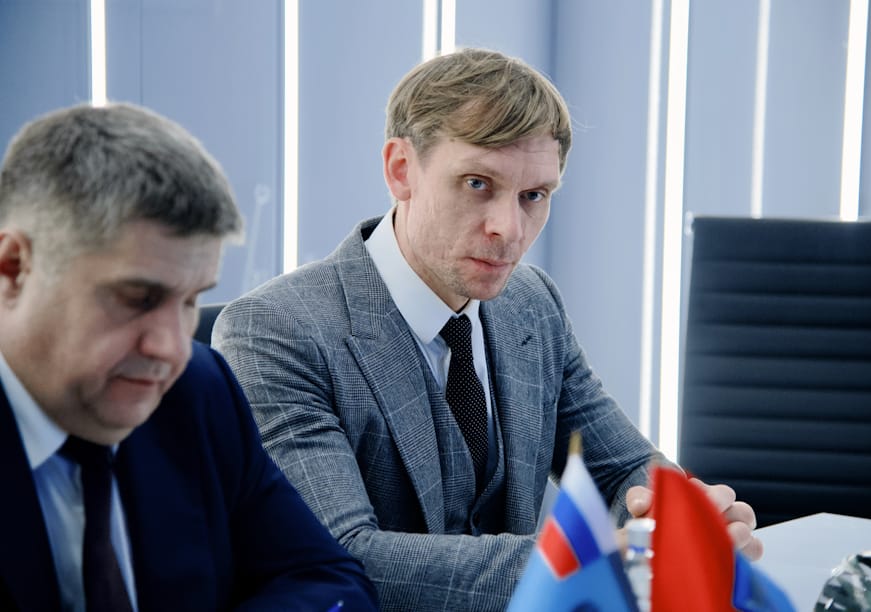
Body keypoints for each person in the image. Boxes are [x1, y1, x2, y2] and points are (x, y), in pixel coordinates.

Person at [213, 48, 760, 611]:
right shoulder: (273, 332)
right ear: (401, 169)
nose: (509, 229)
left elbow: (621, 468)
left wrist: (682, 518)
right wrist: (588, 565)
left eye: (533, 196)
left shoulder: (531, 304)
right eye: (477, 183)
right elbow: (343, 557)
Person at [0, 103, 378, 611]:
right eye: (137, 299)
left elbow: (330, 580)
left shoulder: (198, 389)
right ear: (14, 268)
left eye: (190, 301)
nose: (172, 348)